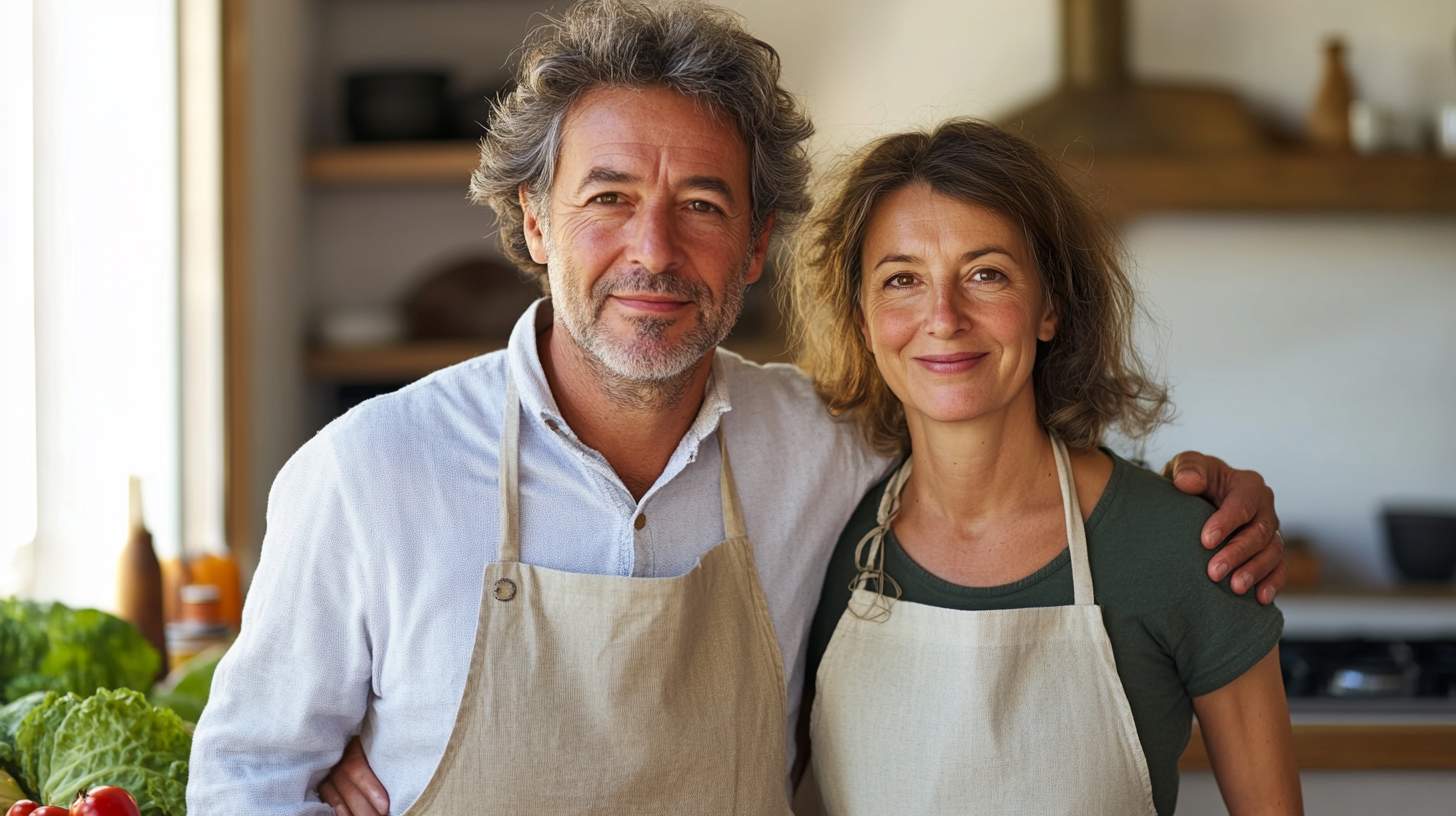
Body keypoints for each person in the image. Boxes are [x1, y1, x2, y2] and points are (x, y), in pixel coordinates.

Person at [188, 3, 1288, 815]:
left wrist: (1203, 500)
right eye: (608, 199)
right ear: (533, 221)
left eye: (701, 205)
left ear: (757, 245)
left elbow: (983, 416)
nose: (653, 252)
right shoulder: (369, 473)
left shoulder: (827, 444)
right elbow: (245, 781)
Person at [796, 119, 1301, 815]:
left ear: (1050, 306)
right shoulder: (823, 536)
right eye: (902, 279)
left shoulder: (1187, 549)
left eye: (986, 274)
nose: (943, 317)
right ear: (862, 319)